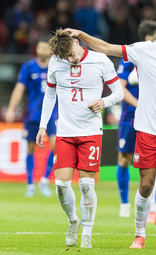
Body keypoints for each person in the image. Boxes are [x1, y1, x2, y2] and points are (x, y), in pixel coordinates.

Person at [65, 8, 156, 249]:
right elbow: (107, 48)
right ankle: (139, 234)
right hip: (147, 129)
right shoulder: (145, 51)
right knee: (146, 186)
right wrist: (82, 34)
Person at [36, 29, 124, 248]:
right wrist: (42, 125)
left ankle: (87, 232)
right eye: (66, 58)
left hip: (91, 132)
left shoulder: (100, 60)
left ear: (77, 41)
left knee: (86, 185)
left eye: (72, 54)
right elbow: (50, 94)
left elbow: (119, 93)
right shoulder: (56, 62)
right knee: (61, 185)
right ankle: (72, 220)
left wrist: (104, 102)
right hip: (65, 132)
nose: (71, 60)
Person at [116, 20, 156, 219]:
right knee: (125, 159)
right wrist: (139, 105)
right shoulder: (131, 58)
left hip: (155, 119)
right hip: (130, 116)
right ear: (148, 39)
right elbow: (120, 87)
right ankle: (125, 203)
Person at [6, 40, 57, 197]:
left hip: (53, 113)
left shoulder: (56, 66)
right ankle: (30, 184)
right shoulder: (28, 67)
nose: (41, 50)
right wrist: (11, 108)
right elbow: (19, 88)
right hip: (33, 114)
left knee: (56, 147)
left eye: (44, 47)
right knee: (30, 148)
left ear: (50, 50)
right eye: (39, 47)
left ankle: (44, 180)